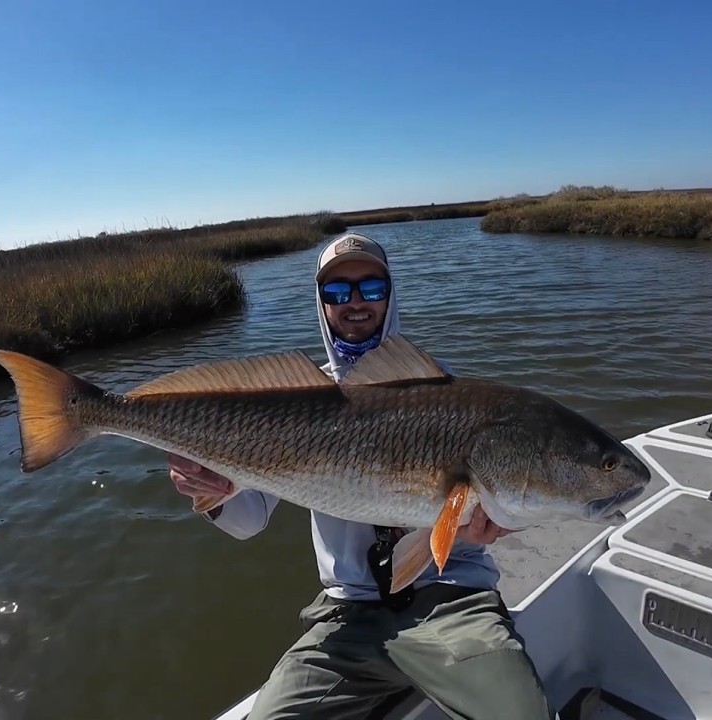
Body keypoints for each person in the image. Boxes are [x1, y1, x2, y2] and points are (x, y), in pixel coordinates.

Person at [167, 233, 557, 720]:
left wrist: (487, 526)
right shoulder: (293, 402)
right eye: (337, 292)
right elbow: (247, 522)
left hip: (450, 598)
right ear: (321, 302)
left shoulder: (443, 388)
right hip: (345, 613)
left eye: (370, 288)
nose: (355, 303)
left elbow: (490, 496)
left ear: (390, 295)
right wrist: (212, 491)